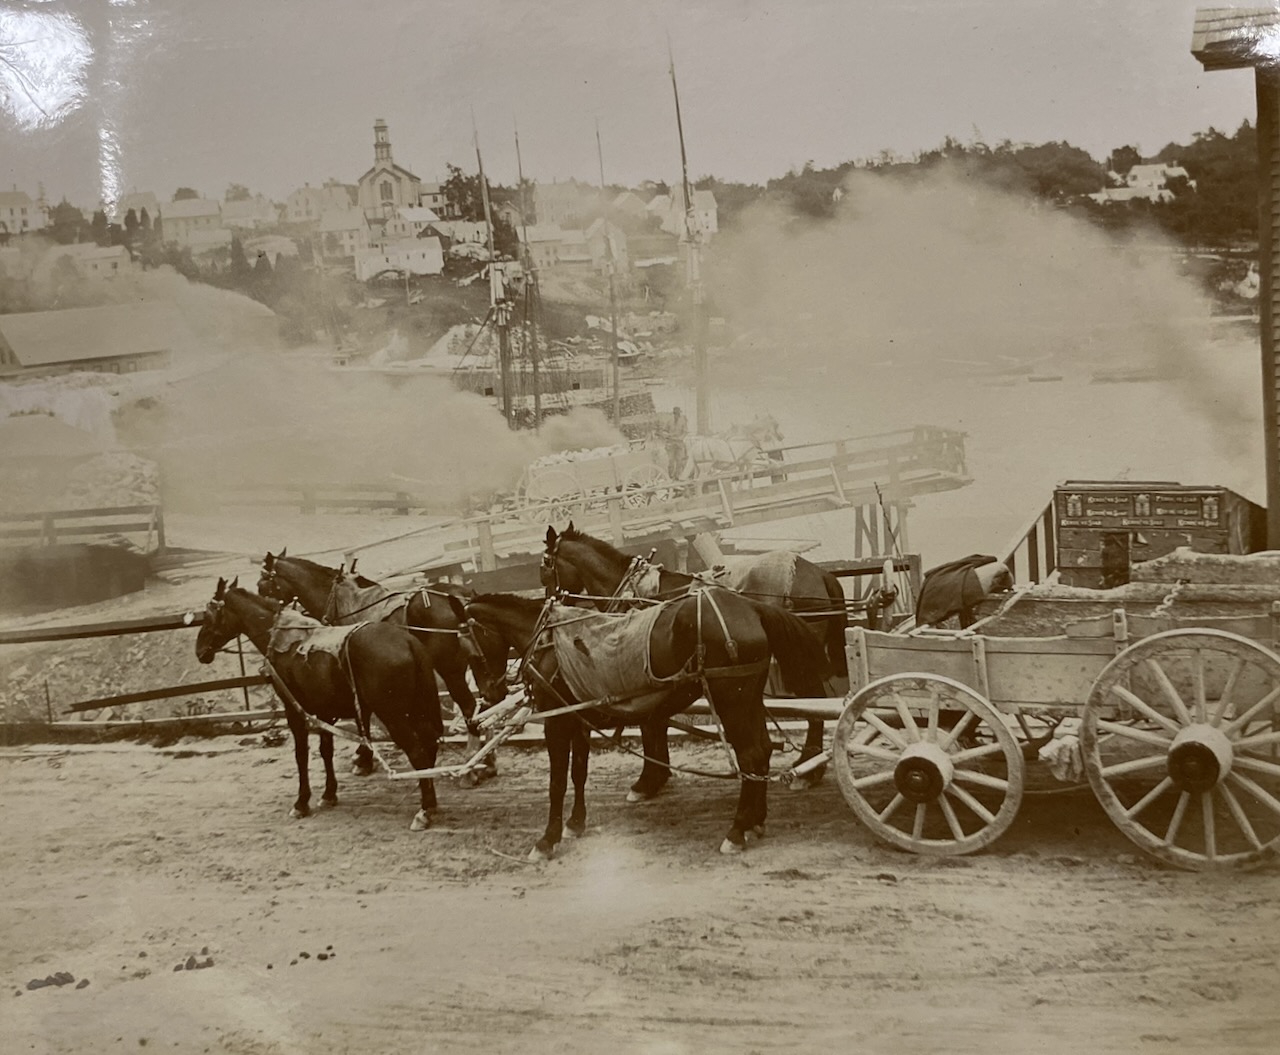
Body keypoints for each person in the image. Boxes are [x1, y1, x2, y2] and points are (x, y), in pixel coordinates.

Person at [665, 406, 689, 480]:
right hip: (671, 443)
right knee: (671, 460)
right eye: (675, 414)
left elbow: (685, 432)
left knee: (680, 460)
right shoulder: (669, 421)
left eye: (678, 414)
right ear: (674, 414)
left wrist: (681, 438)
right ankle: (670, 476)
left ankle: (677, 476)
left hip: (679, 443)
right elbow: (664, 430)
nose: (677, 415)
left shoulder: (683, 421)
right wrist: (667, 435)